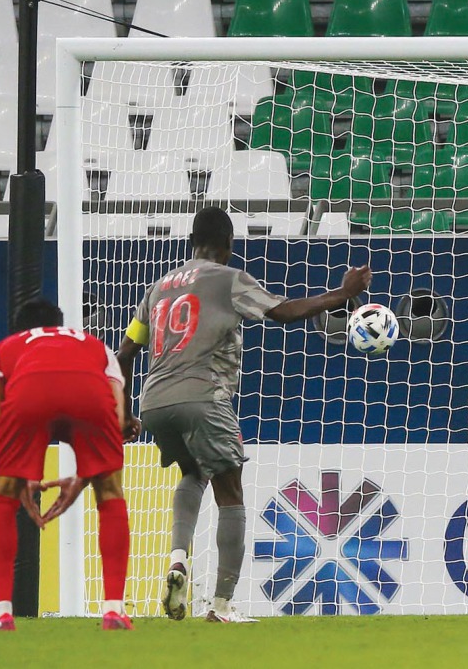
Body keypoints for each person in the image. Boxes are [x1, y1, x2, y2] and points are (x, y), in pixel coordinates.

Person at [116, 206, 372, 623]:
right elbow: (284, 312)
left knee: (192, 473)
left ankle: (178, 559)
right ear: (229, 246)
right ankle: (220, 605)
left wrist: (125, 414)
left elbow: (125, 353)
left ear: (191, 242)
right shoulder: (228, 278)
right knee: (230, 492)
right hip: (204, 398)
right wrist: (341, 295)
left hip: (155, 402)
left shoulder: (157, 288)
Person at [0, 298, 133, 631]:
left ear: (19, 330)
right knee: (110, 490)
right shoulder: (96, 346)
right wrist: (87, 476)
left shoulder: (1, 350)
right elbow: (118, 417)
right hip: (90, 396)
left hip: (29, 397)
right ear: (63, 325)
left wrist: (15, 474)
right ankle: (114, 609)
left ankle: (1, 612)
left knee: (2, 496)